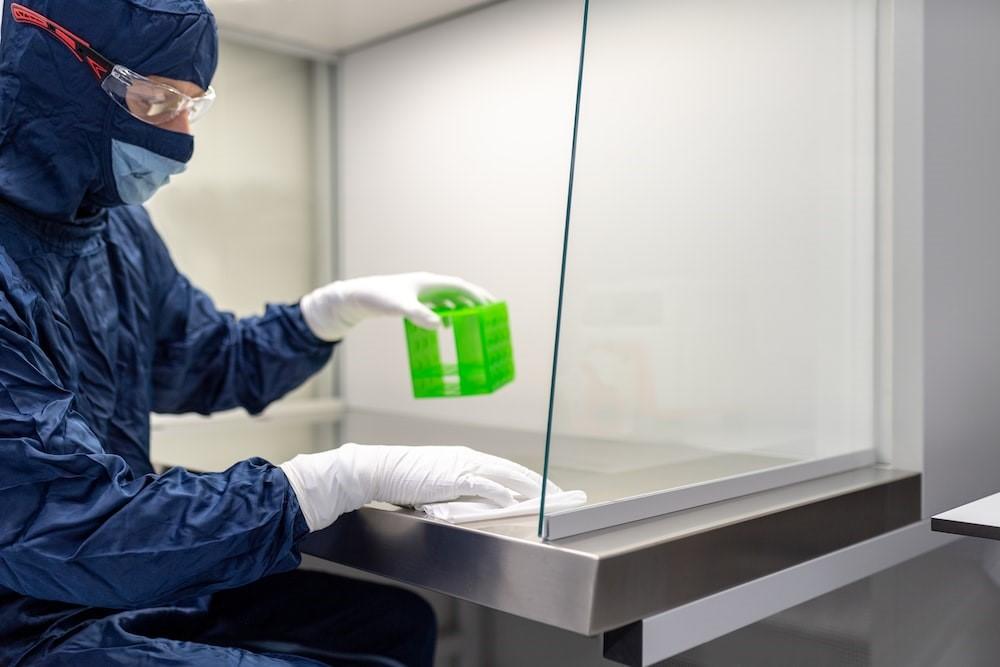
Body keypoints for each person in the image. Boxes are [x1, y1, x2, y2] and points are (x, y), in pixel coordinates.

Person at [0, 1, 547, 665]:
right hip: (32, 617)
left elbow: (199, 358)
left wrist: (328, 312)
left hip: (122, 583)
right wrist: (326, 481)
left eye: (191, 106)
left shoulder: (113, 228)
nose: (181, 139)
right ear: (56, 69)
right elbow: (70, 522)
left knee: (393, 625)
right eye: (156, 102)